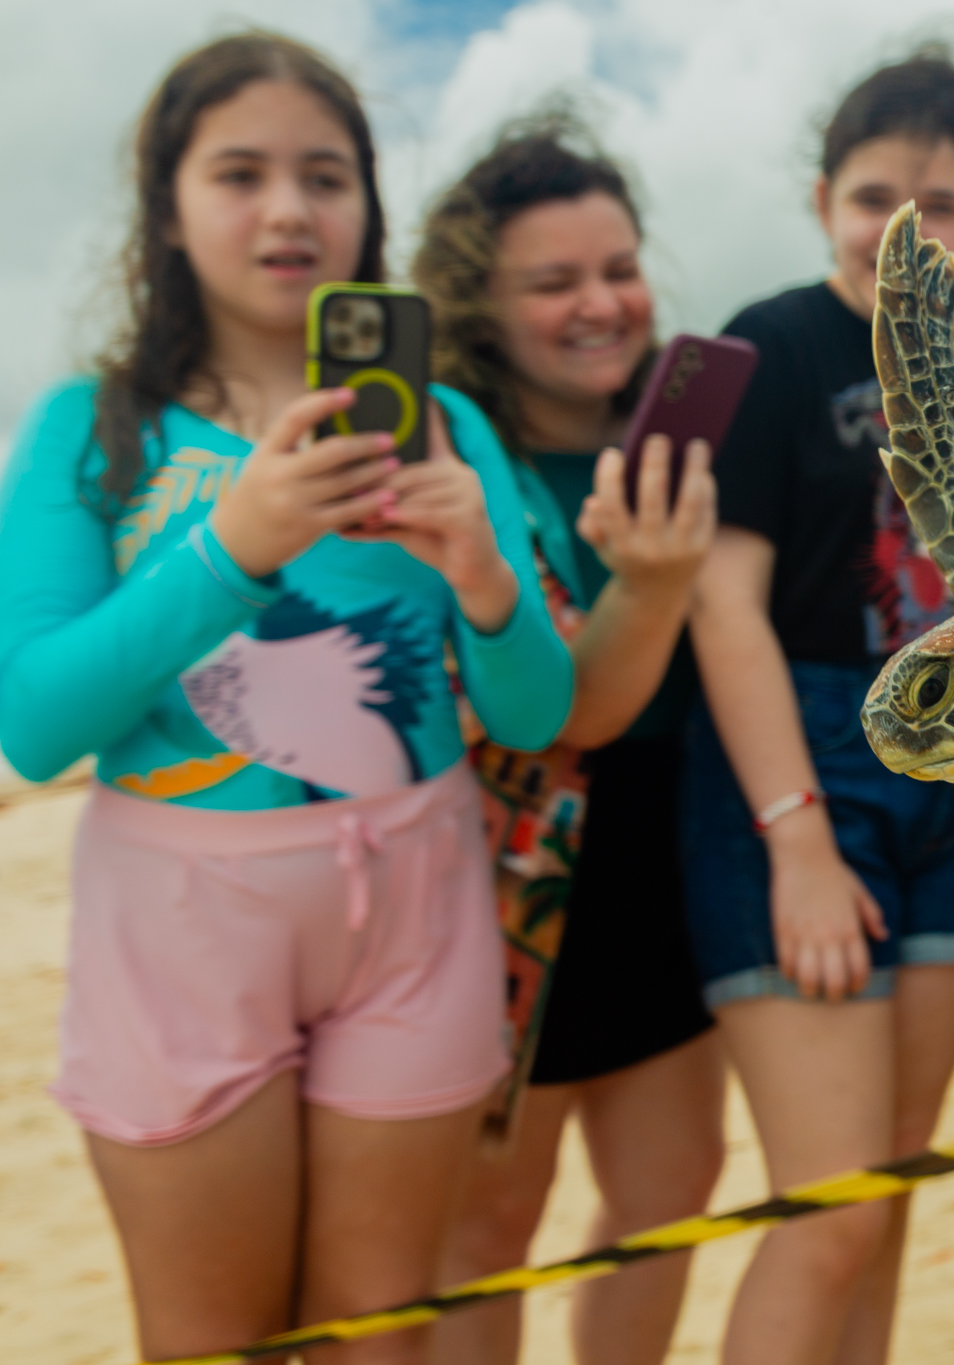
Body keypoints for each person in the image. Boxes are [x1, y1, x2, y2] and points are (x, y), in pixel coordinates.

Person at [0, 33, 573, 1364]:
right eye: (239, 173)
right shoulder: (95, 427)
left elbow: (534, 715)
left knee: (382, 1339)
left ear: (367, 205)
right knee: (217, 1341)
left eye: (325, 176)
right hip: (183, 920)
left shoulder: (444, 423)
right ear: (169, 206)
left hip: (418, 900)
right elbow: (32, 723)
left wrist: (487, 576)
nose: (287, 209)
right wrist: (231, 547)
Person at [684, 46, 954, 1365]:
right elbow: (722, 606)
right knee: (826, 1209)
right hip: (797, 773)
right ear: (824, 197)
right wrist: (798, 836)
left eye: (936, 202)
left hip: (952, 781)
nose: (903, 225)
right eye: (872, 193)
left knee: (884, 1195)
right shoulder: (763, 347)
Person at [416, 121, 726, 1365]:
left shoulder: (679, 445)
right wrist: (648, 585)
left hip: (666, 845)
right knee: (488, 1227)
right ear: (479, 307)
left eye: (620, 267)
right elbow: (560, 714)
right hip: (508, 872)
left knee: (666, 1202)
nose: (602, 304)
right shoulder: (451, 462)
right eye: (554, 283)